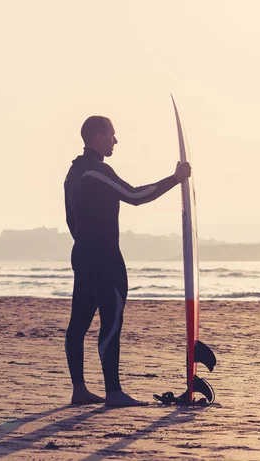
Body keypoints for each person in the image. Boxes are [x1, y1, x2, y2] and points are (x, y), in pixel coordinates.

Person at [64, 115, 191, 406]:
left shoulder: (73, 173)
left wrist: (84, 243)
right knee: (111, 321)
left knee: (79, 324)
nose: (115, 141)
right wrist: (175, 179)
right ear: (99, 138)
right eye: (112, 135)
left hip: (82, 255)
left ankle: (79, 390)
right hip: (104, 257)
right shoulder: (97, 171)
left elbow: (70, 218)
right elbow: (134, 195)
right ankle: (114, 392)